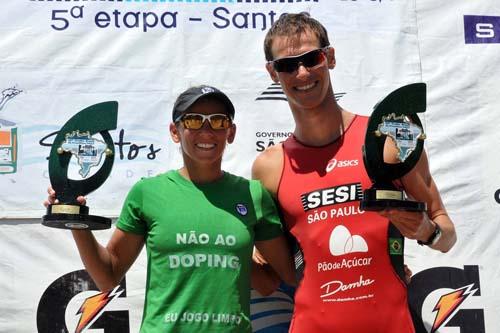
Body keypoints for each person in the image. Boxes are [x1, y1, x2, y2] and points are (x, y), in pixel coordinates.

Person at [251, 13, 457, 333]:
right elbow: (267, 274)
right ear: (272, 73)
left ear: (329, 57)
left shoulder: (389, 137)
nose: (302, 72)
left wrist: (427, 231)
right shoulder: (269, 167)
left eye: (311, 58)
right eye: (287, 65)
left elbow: (447, 235)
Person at [45, 85, 295, 333]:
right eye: (194, 121)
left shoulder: (252, 195)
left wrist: (230, 252)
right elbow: (108, 276)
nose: (207, 131)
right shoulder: (148, 193)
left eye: (218, 121)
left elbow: (271, 282)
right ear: (175, 132)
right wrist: (76, 221)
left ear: (231, 132)